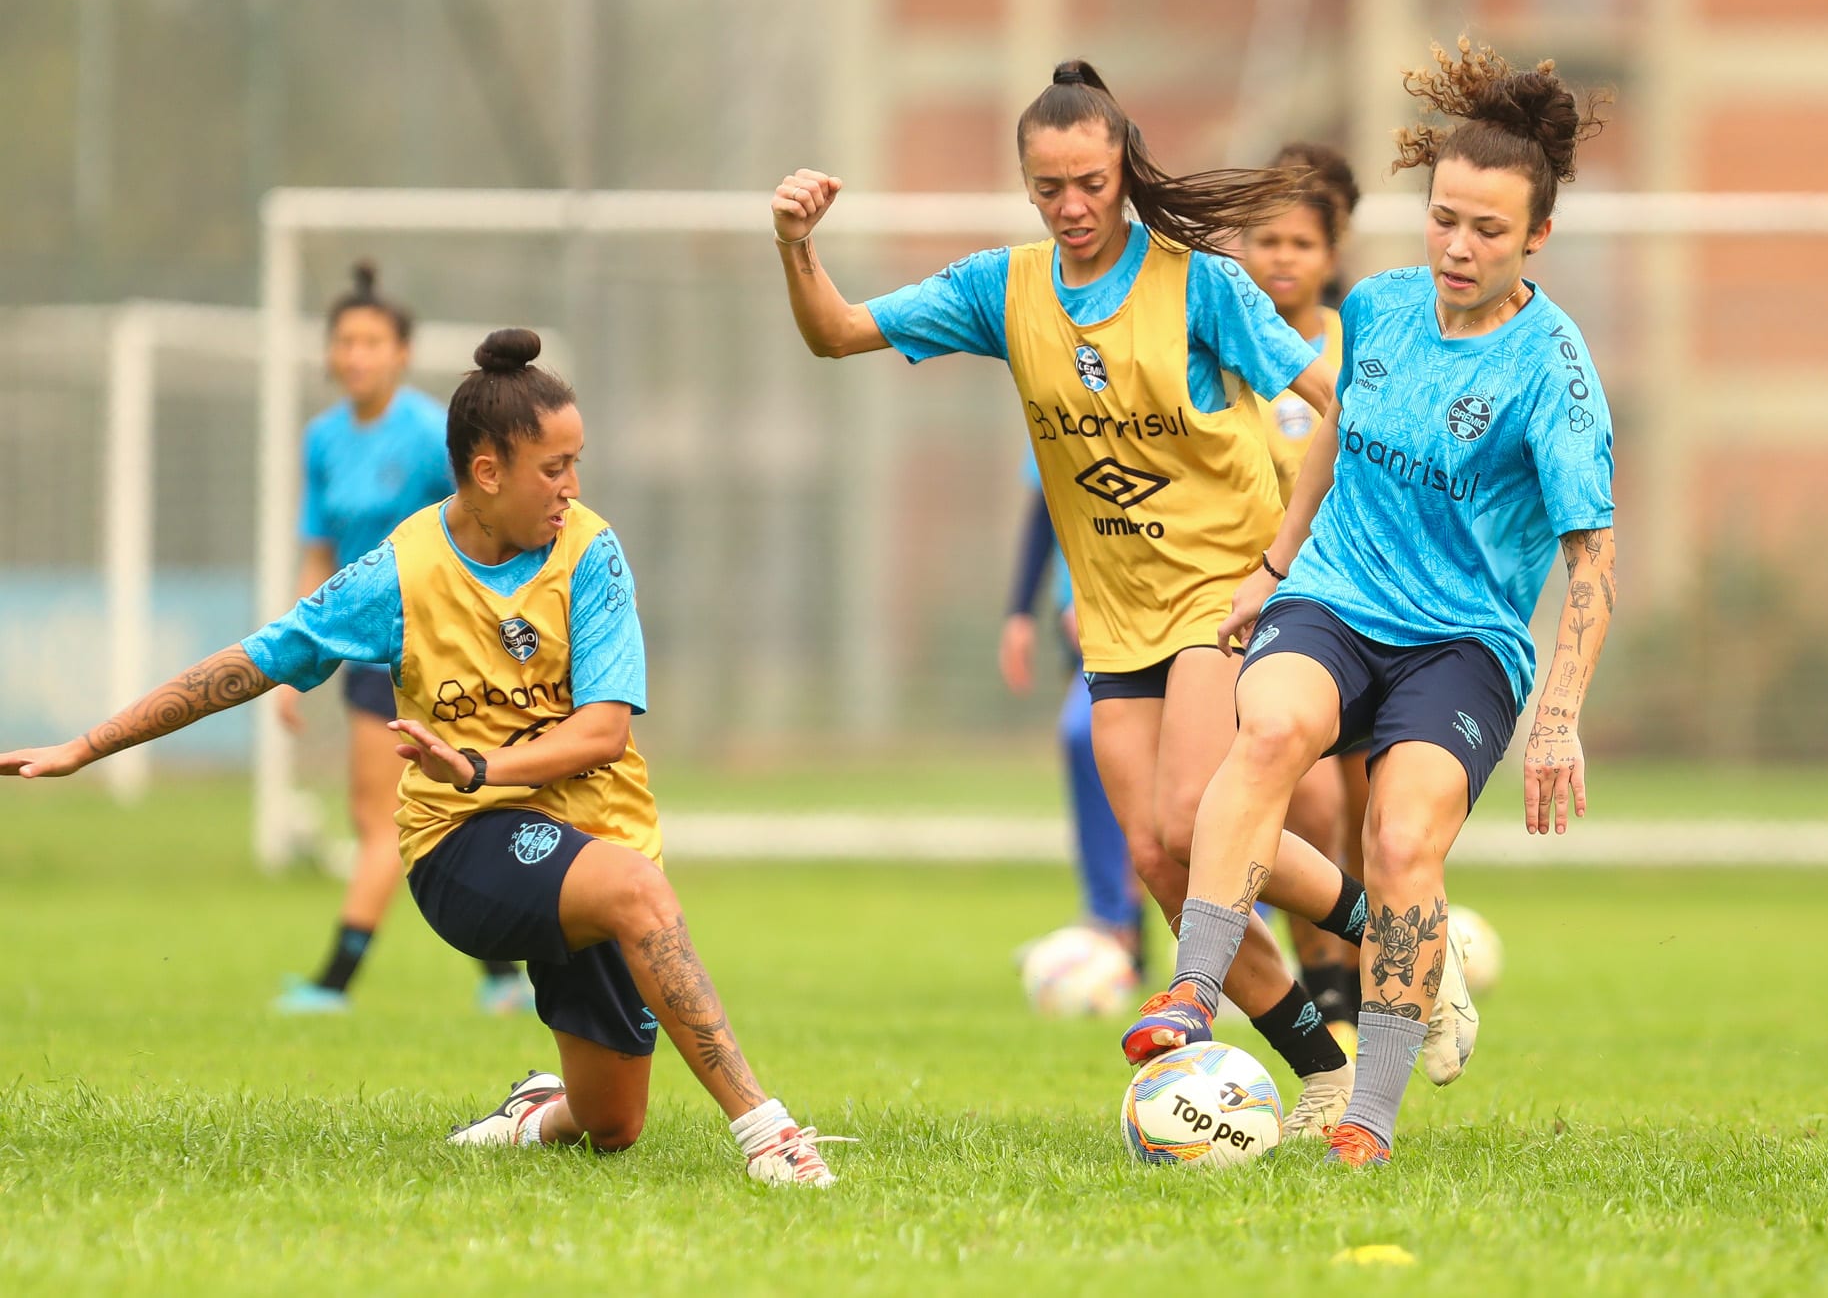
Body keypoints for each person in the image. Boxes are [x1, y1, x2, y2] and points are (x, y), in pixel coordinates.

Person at [3, 330, 842, 1186]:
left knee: (612, 1122)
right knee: (635, 890)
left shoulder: (591, 551)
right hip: (462, 842)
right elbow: (255, 658)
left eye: (576, 462)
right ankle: (768, 1134)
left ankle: (534, 1114)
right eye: (553, 468)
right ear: (487, 472)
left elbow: (603, 733)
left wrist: (479, 761)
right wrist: (90, 744)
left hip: (587, 834)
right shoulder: (400, 571)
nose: (572, 487)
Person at [773, 60, 1370, 1134]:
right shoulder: (999, 288)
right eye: (1048, 187)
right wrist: (795, 246)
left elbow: (1329, 399)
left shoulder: (1199, 284)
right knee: (1153, 854)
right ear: (1026, 185)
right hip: (1115, 615)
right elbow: (834, 332)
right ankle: (1320, 1066)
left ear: (1123, 169)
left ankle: (1390, 935)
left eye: (1090, 182)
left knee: (1197, 818)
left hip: (1224, 592)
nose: (1072, 206)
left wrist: (1316, 547)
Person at [1123, 39, 1617, 1168]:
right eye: (1442, 218)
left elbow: (1590, 560)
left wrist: (1555, 716)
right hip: (1337, 597)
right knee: (1272, 731)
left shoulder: (1554, 368)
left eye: (1487, 230)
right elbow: (1335, 436)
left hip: (1463, 644)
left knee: (1402, 845)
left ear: (1536, 235)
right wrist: (1271, 567)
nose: (1456, 245)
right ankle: (1193, 996)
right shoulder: (1382, 309)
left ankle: (1367, 1122)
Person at [273, 260, 529, 1016]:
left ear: (402, 353)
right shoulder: (322, 439)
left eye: (371, 341)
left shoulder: (428, 434)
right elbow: (319, 552)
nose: (355, 354)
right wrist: (294, 663)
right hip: (363, 647)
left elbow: (482, 525)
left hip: (434, 642)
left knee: (400, 814)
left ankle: (334, 982)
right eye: (344, 341)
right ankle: (500, 975)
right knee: (390, 813)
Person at [1234, 142, 1366, 1035]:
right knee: (1304, 799)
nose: (1280, 258)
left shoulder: (1357, 345)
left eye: (1299, 242)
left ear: (1332, 249)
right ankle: (1322, 1001)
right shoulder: (1218, 336)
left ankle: (1366, 985)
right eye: (1263, 239)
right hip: (1248, 606)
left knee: (1360, 815)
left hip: (1356, 598)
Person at [998, 450, 1142, 967]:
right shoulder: (1054, 376)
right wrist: (1019, 612)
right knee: (1089, 744)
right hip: (1079, 624)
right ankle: (1113, 924)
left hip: (1163, 612)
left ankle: (1237, 928)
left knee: (1190, 770)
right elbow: (1045, 507)